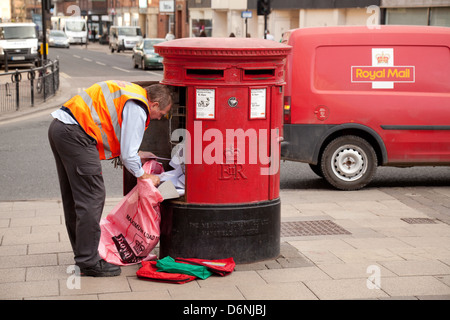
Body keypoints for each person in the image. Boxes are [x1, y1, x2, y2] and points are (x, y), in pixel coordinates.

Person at [48, 81, 172, 277]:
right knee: (92, 197)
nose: (159, 118)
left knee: (74, 198)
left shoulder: (131, 91)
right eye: (162, 113)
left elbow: (115, 130)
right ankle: (89, 261)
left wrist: (133, 155)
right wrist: (144, 175)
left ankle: (84, 253)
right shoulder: (139, 105)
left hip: (61, 128)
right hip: (77, 135)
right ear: (154, 104)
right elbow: (128, 155)